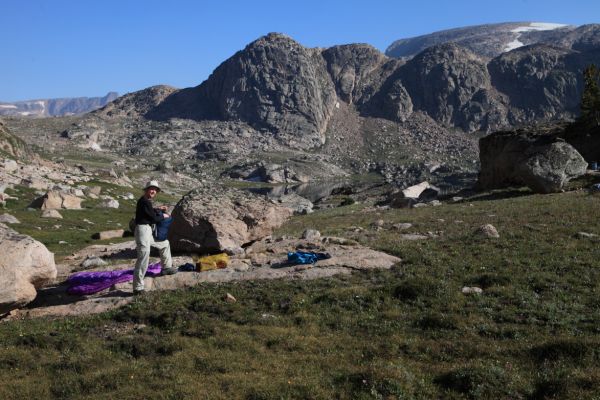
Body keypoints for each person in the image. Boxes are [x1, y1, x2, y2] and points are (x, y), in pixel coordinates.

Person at [132, 180, 176, 295]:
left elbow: (149, 212)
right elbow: (153, 218)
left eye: (155, 190)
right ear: (146, 190)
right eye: (151, 189)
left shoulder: (146, 201)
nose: (153, 191)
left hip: (147, 230)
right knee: (143, 256)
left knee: (164, 244)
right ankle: (138, 288)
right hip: (142, 230)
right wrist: (163, 215)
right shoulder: (144, 201)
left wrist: (158, 209)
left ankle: (166, 267)